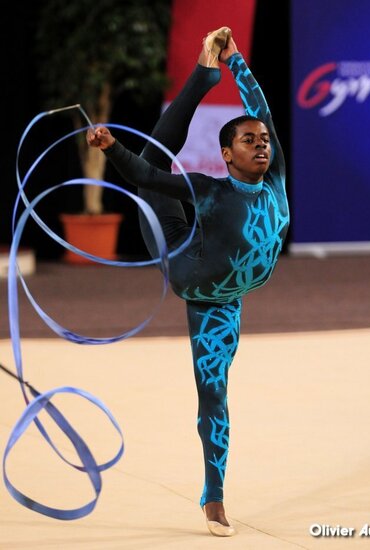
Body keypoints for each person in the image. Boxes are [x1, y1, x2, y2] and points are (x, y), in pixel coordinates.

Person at [87, 27, 289, 537]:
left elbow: (262, 110)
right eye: (248, 141)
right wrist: (112, 146)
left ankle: (206, 71)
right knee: (153, 160)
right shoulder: (209, 189)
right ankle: (215, 499)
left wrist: (237, 61)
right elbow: (146, 177)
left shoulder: (276, 180)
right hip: (187, 268)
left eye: (264, 140)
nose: (261, 145)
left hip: (227, 299)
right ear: (227, 154)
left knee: (217, 394)